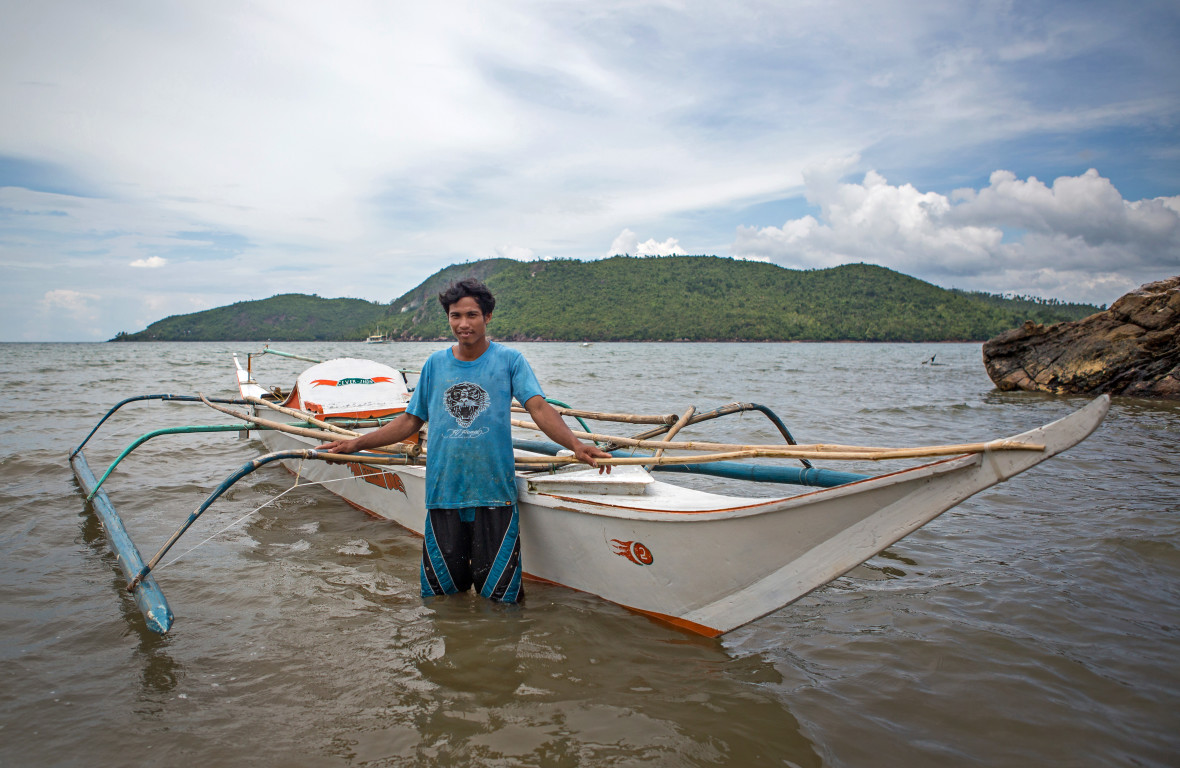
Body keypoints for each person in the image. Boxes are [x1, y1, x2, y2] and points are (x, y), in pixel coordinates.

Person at [317, 278, 611, 603]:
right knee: (442, 601)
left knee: (501, 601)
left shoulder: (510, 361)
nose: (463, 324)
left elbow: (539, 409)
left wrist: (576, 445)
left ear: (488, 317)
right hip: (444, 494)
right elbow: (410, 421)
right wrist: (355, 444)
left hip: (495, 495)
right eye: (456, 316)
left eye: (472, 315)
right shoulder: (435, 365)